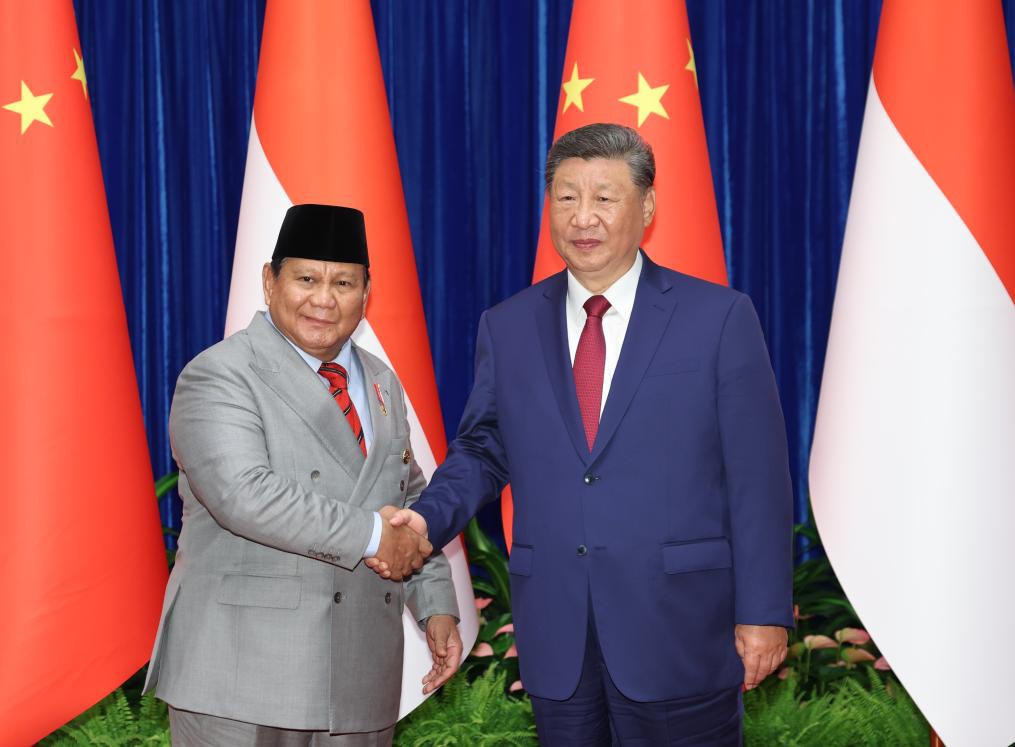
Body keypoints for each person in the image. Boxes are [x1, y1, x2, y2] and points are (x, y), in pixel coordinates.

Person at [376, 124, 794, 745]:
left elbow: (758, 478)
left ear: (646, 207)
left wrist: (763, 613)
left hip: (679, 628)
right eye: (567, 197)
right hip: (559, 634)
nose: (583, 217)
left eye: (605, 197)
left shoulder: (719, 317)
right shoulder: (509, 325)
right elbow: (484, 447)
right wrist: (426, 520)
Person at [144, 204, 462, 746]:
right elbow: (246, 496)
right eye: (306, 278)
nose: (323, 299)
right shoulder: (220, 374)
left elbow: (408, 496)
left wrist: (434, 606)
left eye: (343, 282)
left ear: (367, 291)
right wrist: (373, 535)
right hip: (242, 676)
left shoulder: (380, 380)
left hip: (359, 679)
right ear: (269, 282)